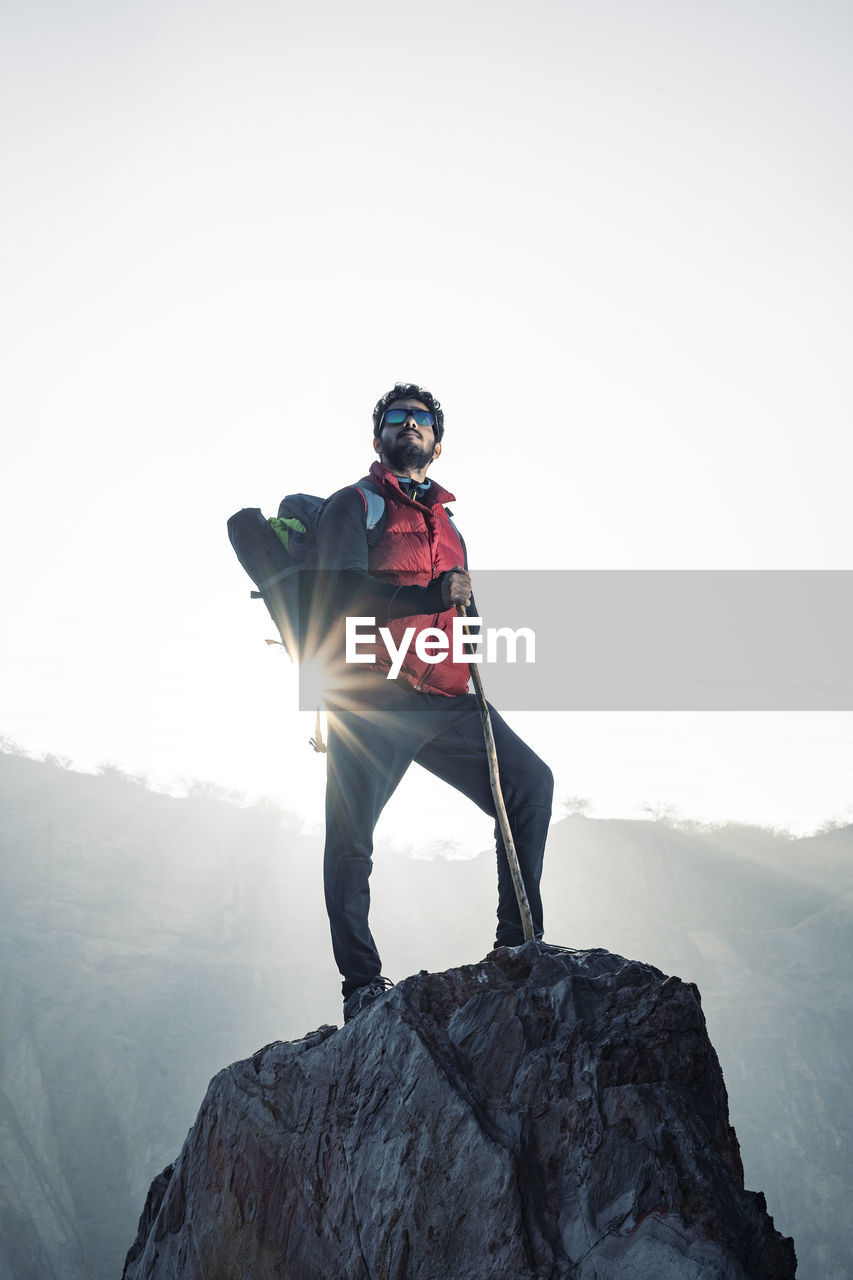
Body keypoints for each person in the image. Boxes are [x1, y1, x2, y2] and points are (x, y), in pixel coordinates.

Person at [316, 382, 554, 1022]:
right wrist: (430, 599)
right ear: (378, 438)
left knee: (530, 785)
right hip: (373, 696)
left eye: (422, 420)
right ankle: (361, 986)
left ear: (438, 445)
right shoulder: (353, 506)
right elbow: (341, 597)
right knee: (350, 840)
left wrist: (472, 648)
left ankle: (516, 949)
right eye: (396, 417)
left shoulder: (449, 524)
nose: (409, 424)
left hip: (450, 699)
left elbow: (463, 602)